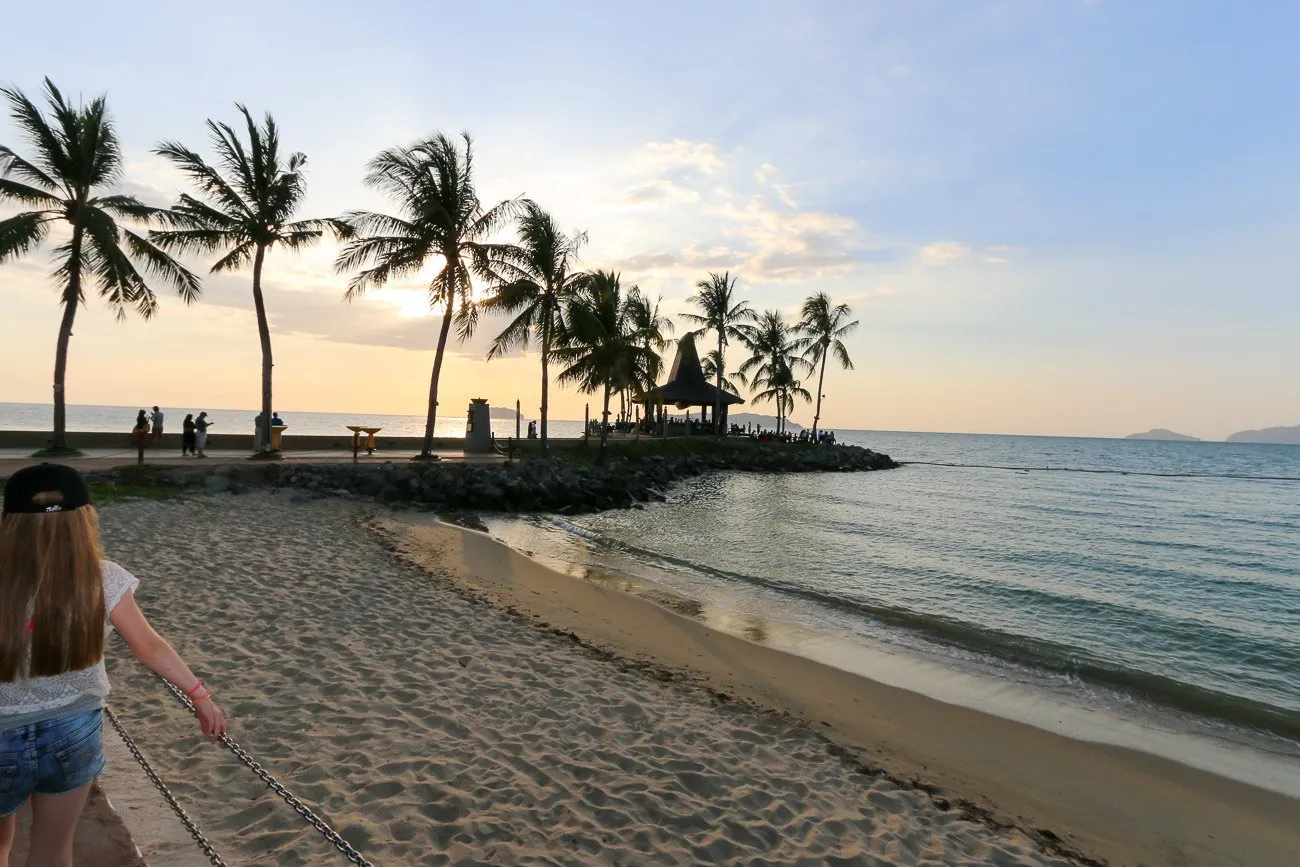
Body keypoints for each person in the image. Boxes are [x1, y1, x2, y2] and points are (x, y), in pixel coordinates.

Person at [0, 464, 228, 864]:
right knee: (53, 852)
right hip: (72, 732)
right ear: (86, 518)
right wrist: (200, 695)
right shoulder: (104, 577)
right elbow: (149, 647)